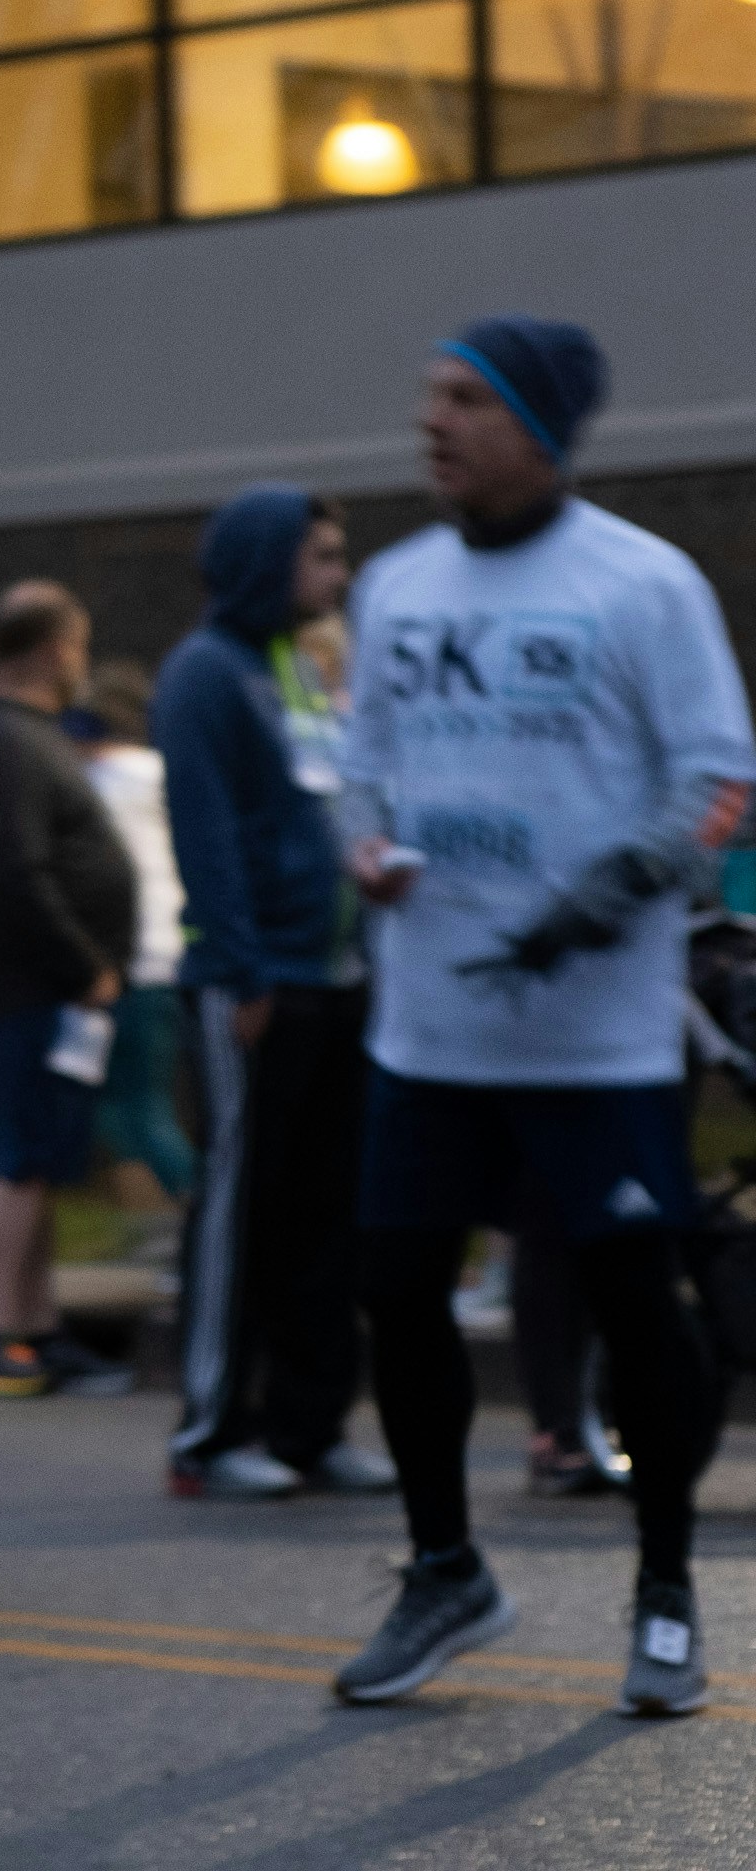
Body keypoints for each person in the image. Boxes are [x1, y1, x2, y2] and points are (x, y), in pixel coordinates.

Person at [327, 317, 749, 1718]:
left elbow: (720, 783)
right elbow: (361, 769)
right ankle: (447, 1570)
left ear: (541, 423)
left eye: (464, 399)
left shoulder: (644, 583)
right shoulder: (393, 585)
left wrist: (622, 884)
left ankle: (669, 1593)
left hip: (597, 1040)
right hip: (429, 1031)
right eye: (429, 395)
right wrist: (365, 846)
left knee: (639, 1311)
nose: (429, 421)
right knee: (397, 1295)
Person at [154, 487, 392, 1502]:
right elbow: (207, 837)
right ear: (265, 559)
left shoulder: (293, 667)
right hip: (255, 986)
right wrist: (243, 969)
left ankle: (310, 1424)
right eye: (323, 557)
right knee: (241, 1210)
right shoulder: (205, 674)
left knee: (324, 1215)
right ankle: (211, 1432)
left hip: (335, 981)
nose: (338, 577)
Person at [0, 583, 138, 1402]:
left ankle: (39, 1327)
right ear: (58, 649)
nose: (82, 664)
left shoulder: (32, 739)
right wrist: (82, 963)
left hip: (55, 993)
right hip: (34, 989)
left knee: (43, 1163)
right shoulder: (12, 743)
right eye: (80, 646)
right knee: (21, 1161)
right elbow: (17, 870)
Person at [71, 662, 197, 1243]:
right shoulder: (161, 772)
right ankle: (164, 1230)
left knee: (133, 1109)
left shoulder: (97, 783)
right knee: (136, 1104)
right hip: (170, 955)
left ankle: (200, 1218)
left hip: (126, 962)